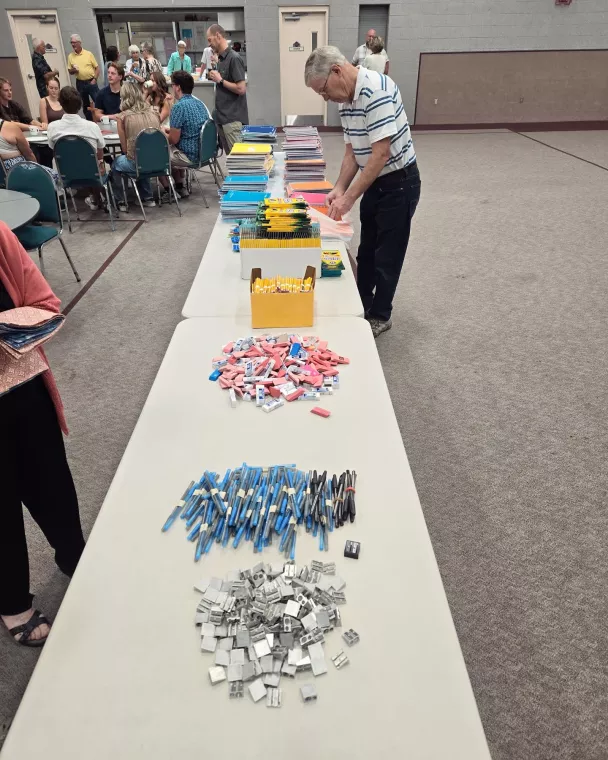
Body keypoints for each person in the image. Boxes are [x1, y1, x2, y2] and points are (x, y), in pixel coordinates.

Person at [0, 221, 85, 648]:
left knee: (51, 481)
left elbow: (45, 303)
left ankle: (74, 554)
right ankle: (12, 600)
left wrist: (11, 326)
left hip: (22, 384)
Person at [305, 46, 420, 338]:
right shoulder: (346, 101)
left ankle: (381, 315)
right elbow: (352, 153)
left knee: (387, 254)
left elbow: (380, 154)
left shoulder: (376, 90)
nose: (325, 98)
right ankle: (362, 304)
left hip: (398, 181)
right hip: (375, 181)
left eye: (323, 90)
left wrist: (349, 198)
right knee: (367, 248)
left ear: (336, 71)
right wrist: (339, 188)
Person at [47, 86, 107, 210]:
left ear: (61, 104)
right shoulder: (92, 127)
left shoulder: (52, 127)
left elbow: (54, 150)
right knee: (96, 164)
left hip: (67, 175)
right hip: (92, 173)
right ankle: (99, 197)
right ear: (80, 105)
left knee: (77, 162)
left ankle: (95, 198)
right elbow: (100, 153)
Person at [111, 81, 159, 211]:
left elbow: (125, 150)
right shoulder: (154, 113)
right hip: (159, 161)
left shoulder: (123, 118)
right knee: (143, 155)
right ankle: (147, 197)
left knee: (117, 163)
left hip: (137, 164)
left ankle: (120, 201)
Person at [161, 70, 209, 199]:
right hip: (204, 153)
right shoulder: (199, 103)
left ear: (178, 87)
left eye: (172, 85)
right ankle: (180, 186)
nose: (172, 88)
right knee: (173, 149)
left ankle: (169, 191)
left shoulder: (178, 107)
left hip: (188, 156)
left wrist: (160, 133)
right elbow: (189, 129)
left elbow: (173, 140)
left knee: (157, 153)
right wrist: (169, 130)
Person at [206, 24, 248, 154]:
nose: (209, 44)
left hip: (232, 120)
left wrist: (221, 80)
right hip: (222, 118)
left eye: (210, 40)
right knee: (231, 160)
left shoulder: (234, 58)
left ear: (218, 36)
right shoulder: (221, 59)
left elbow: (241, 89)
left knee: (239, 161)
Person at [67, 34, 100, 121]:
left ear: (79, 43)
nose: (73, 44)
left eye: (74, 42)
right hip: (80, 83)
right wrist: (74, 70)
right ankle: (90, 121)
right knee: (85, 104)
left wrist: (95, 79)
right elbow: (70, 71)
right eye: (71, 43)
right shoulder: (70, 56)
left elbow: (97, 68)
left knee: (98, 101)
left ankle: (102, 119)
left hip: (91, 81)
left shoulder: (88, 54)